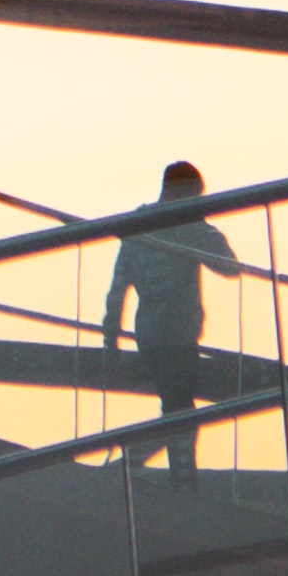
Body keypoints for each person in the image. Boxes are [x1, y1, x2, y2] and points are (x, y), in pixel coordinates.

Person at [103, 158, 241, 465]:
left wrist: (110, 342)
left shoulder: (138, 226)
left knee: (177, 410)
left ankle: (146, 467)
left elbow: (117, 289)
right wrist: (200, 226)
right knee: (181, 415)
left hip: (149, 336)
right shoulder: (187, 227)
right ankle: (158, 473)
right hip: (177, 336)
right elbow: (231, 267)